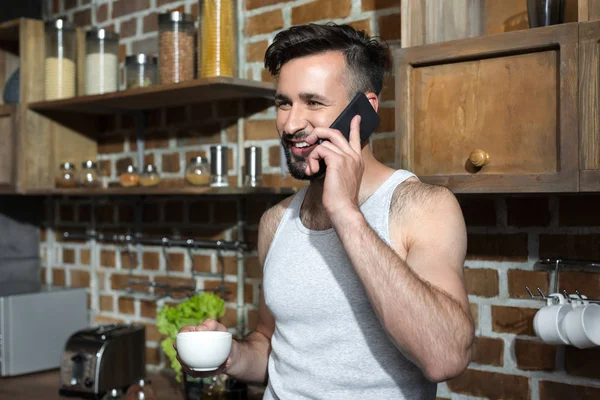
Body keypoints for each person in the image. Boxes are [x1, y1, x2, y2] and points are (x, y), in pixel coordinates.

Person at [176, 23, 474, 399]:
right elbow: (271, 345)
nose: (291, 123)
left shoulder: (422, 207)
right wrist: (230, 355)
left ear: (364, 109)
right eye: (284, 103)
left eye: (313, 102)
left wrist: (345, 212)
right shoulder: (276, 222)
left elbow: (445, 358)